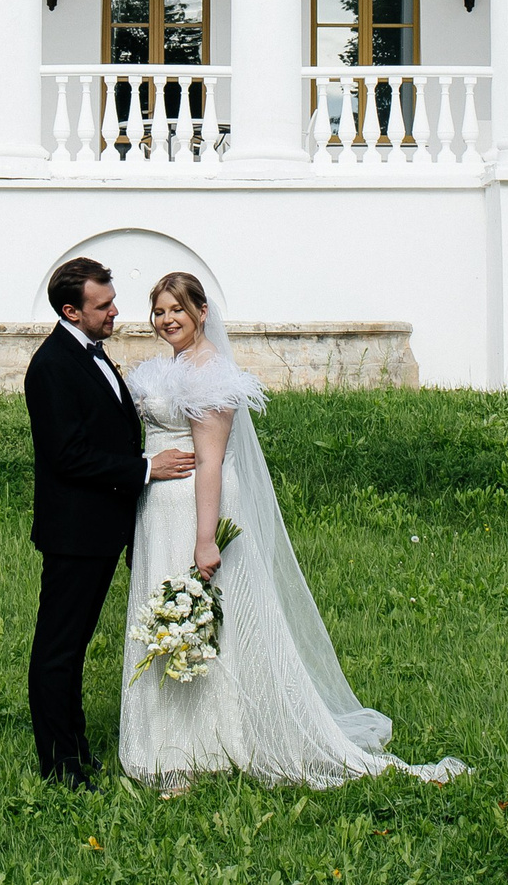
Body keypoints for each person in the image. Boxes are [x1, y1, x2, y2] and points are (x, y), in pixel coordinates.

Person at [119, 270, 466, 792]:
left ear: (202, 312)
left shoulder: (211, 373)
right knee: (170, 619)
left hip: (196, 512)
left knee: (208, 622)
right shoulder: (168, 367)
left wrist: (205, 538)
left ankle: (215, 742)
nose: (167, 320)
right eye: (160, 311)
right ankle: (175, 745)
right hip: (160, 516)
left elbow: (210, 462)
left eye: (178, 310)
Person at [23, 256, 196, 787]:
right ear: (71, 311)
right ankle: (61, 767)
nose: (115, 312)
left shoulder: (90, 354)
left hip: (100, 529)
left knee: (73, 647)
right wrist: (146, 467)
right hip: (75, 533)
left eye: (113, 301)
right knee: (58, 651)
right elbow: (67, 456)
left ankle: (76, 749)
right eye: (103, 306)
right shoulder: (52, 366)